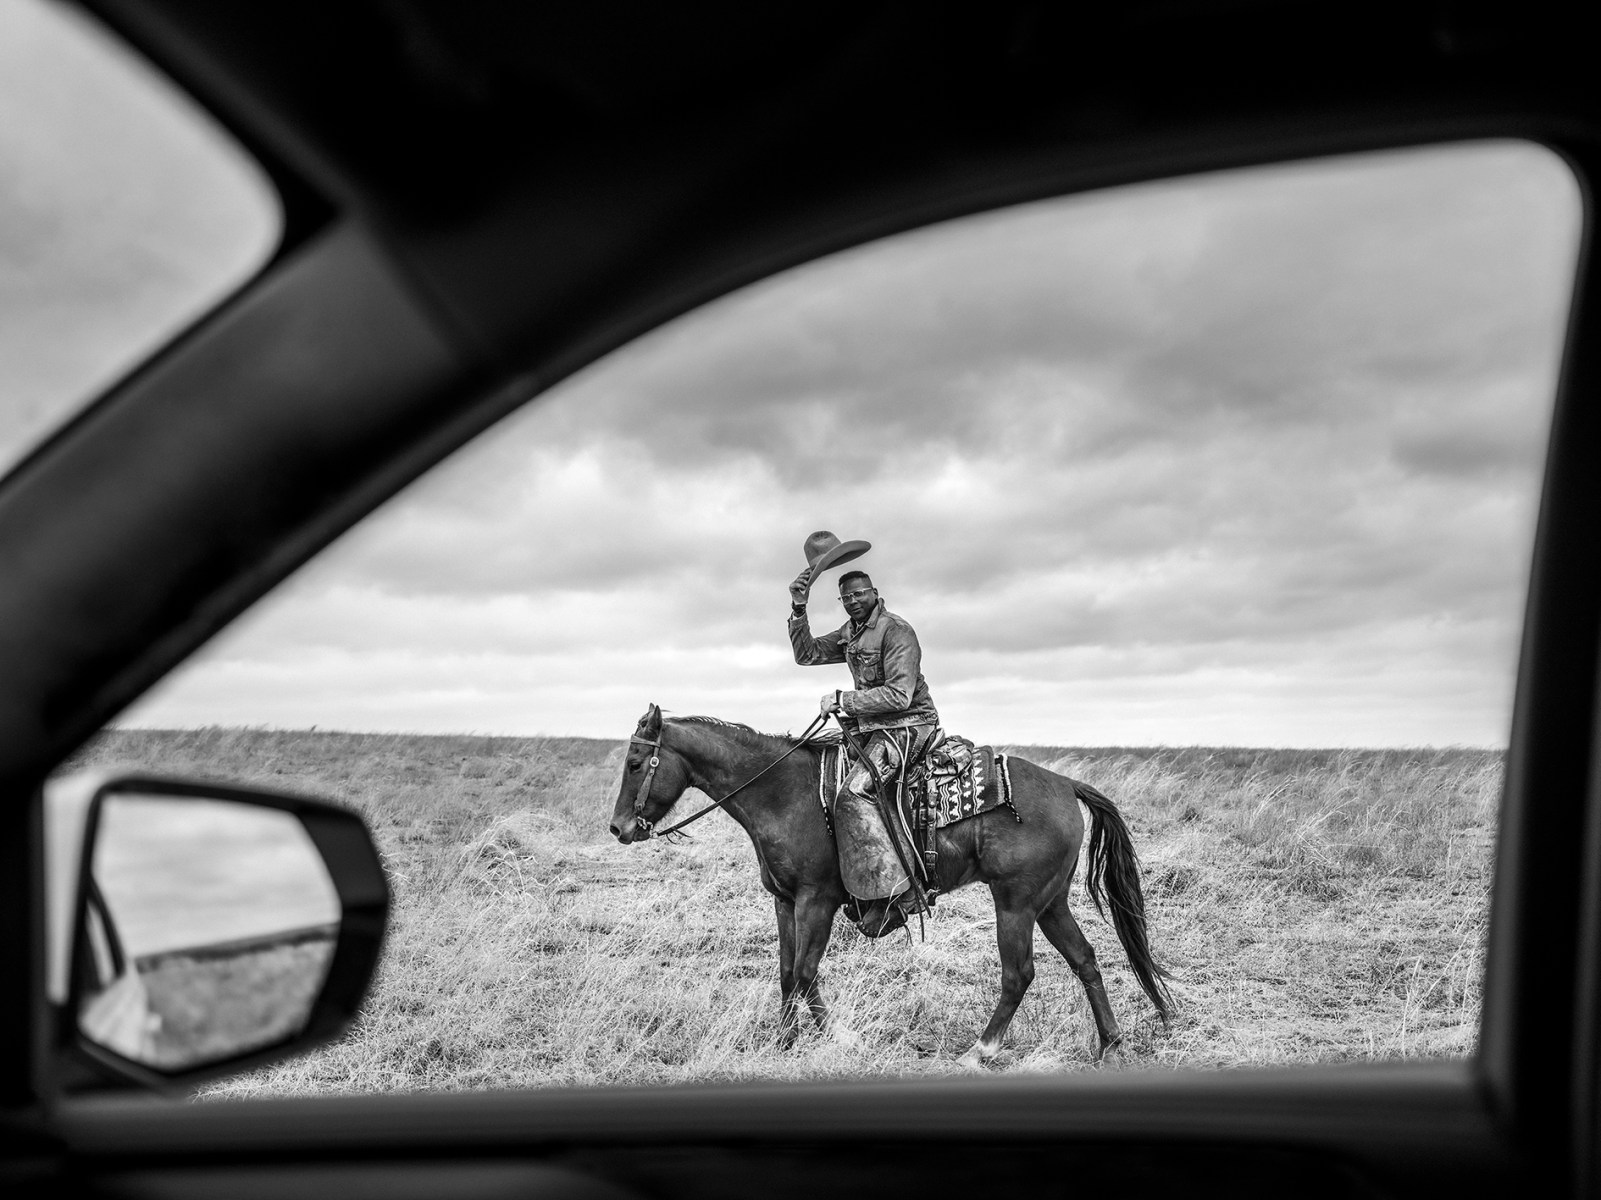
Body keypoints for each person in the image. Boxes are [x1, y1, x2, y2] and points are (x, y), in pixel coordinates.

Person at [789, 553, 939, 935]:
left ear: (874, 593)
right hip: (869, 727)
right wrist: (798, 607)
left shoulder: (896, 631)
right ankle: (855, 885)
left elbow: (900, 696)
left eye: (859, 594)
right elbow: (807, 655)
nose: (853, 601)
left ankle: (904, 895)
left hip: (908, 725)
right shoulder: (850, 633)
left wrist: (844, 700)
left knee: (854, 794)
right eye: (846, 598)